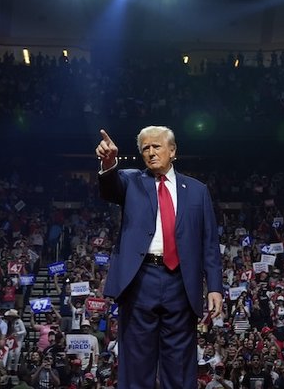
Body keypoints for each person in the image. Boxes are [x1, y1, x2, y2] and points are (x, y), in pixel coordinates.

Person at [95, 127, 223, 389]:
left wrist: (215, 287)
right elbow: (110, 188)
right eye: (145, 148)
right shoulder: (131, 181)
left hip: (182, 282)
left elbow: (209, 243)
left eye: (157, 146)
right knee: (136, 362)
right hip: (140, 280)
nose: (151, 153)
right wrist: (108, 164)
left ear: (172, 151)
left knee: (180, 365)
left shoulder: (197, 190)